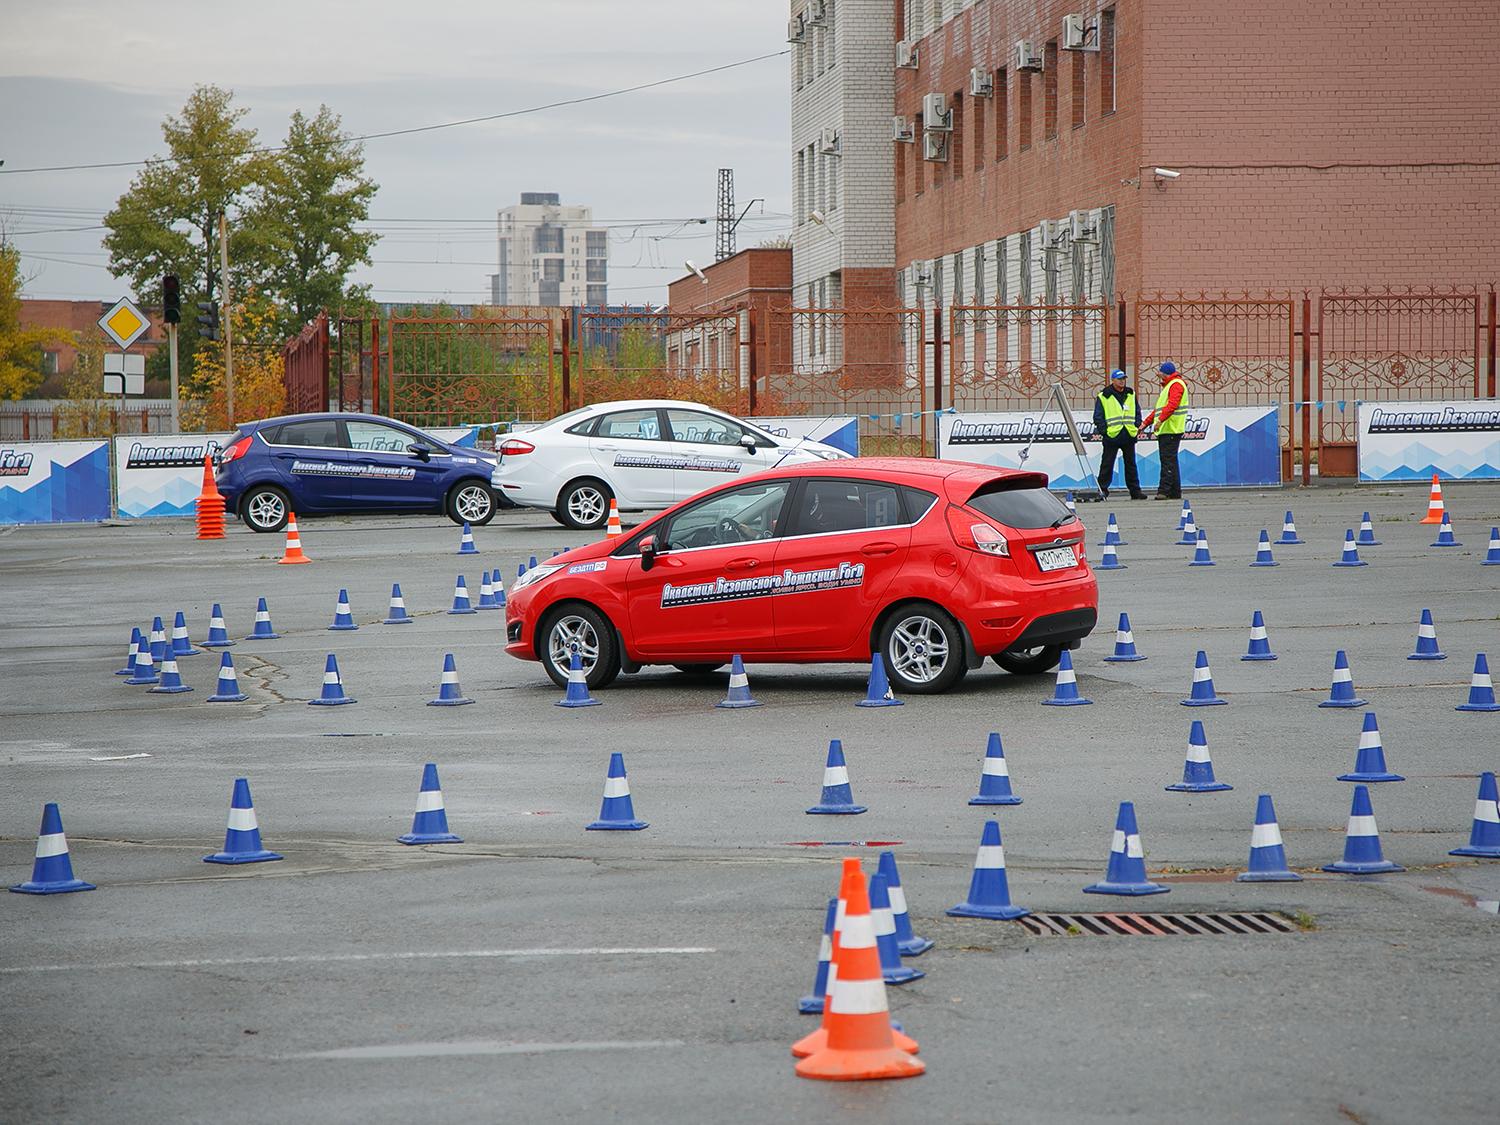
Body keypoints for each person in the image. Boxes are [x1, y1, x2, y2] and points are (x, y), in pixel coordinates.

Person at [1092, 368, 1147, 500]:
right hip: (1112, 435)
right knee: (1107, 464)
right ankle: (1103, 490)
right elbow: (1098, 416)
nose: (1122, 381)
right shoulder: (1104, 395)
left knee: (1131, 465)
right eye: (1119, 379)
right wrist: (1104, 431)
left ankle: (1135, 491)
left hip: (1128, 433)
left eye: (1123, 379)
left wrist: (1136, 424)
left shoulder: (1130, 394)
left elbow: (1137, 411)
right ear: (1113, 380)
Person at [1141, 360, 1190, 500]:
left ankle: (1164, 490)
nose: (1159, 377)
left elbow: (1172, 405)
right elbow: (1159, 410)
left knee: (1167, 460)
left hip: (1171, 428)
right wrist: (1145, 423)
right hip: (1169, 428)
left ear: (1165, 374)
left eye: (1160, 374)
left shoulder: (1175, 385)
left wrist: (1160, 421)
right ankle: (1175, 491)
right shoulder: (1170, 386)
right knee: (1171, 461)